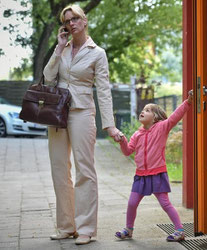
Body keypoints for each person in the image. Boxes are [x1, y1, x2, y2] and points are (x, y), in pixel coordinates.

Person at [43, 4, 123, 245]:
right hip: (57, 114)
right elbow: (48, 78)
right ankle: (67, 226)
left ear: (85, 20)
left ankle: (87, 228)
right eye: (67, 20)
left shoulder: (98, 53)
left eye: (75, 18)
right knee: (59, 170)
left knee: (84, 171)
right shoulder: (62, 49)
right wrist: (58, 49)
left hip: (82, 113)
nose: (71, 23)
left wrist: (109, 125)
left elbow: (104, 91)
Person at [115, 90, 193, 242]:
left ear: (156, 117)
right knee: (132, 203)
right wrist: (122, 141)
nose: (143, 112)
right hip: (141, 175)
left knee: (165, 203)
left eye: (148, 110)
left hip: (157, 173)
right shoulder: (137, 134)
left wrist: (188, 102)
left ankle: (180, 230)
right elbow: (128, 151)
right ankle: (129, 229)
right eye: (143, 110)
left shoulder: (162, 127)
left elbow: (175, 117)